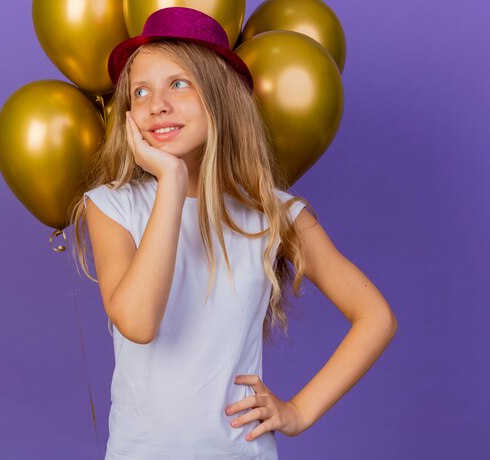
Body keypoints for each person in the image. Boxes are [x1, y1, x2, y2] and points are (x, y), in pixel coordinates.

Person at [68, 6, 397, 460]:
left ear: (221, 96)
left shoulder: (276, 215)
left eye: (178, 83)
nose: (155, 104)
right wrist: (171, 181)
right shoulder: (112, 206)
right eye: (139, 91)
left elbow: (375, 316)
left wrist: (298, 411)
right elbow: (139, 323)